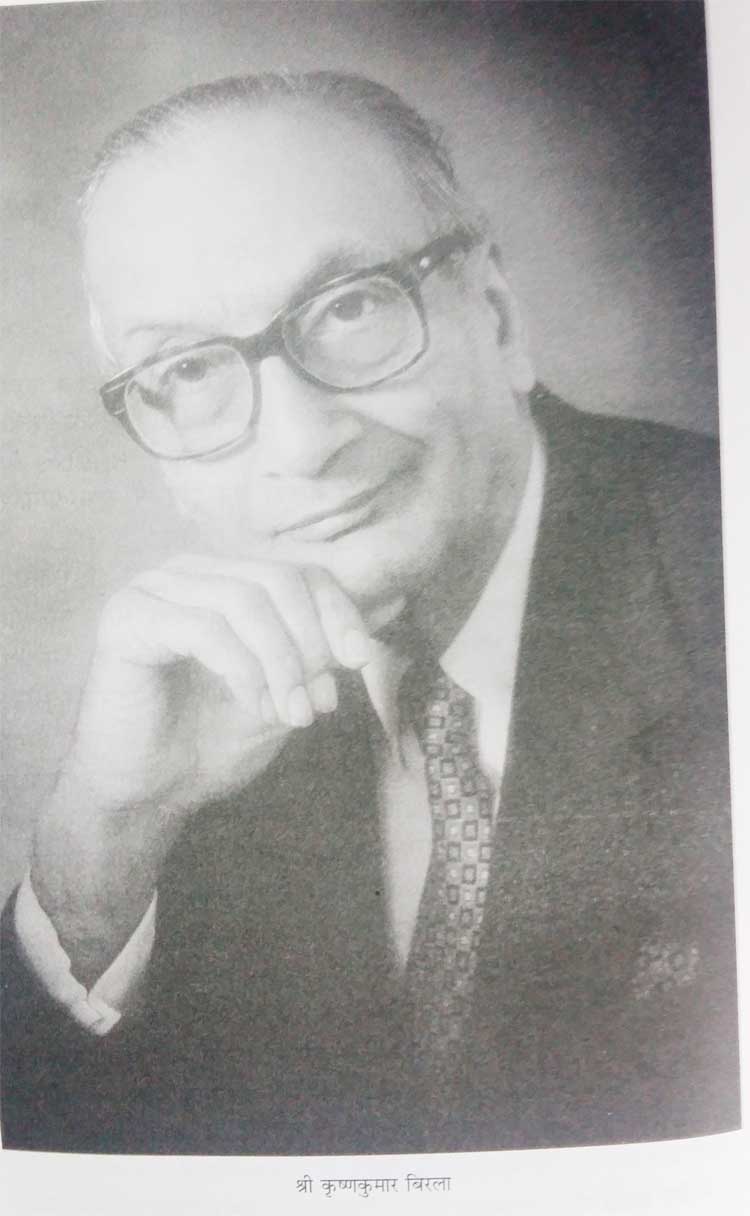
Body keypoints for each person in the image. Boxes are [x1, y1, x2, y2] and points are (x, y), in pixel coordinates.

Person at [0, 71, 739, 1155]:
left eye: (351, 307)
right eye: (189, 368)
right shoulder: (196, 721)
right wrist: (109, 828)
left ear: (496, 316)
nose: (301, 443)